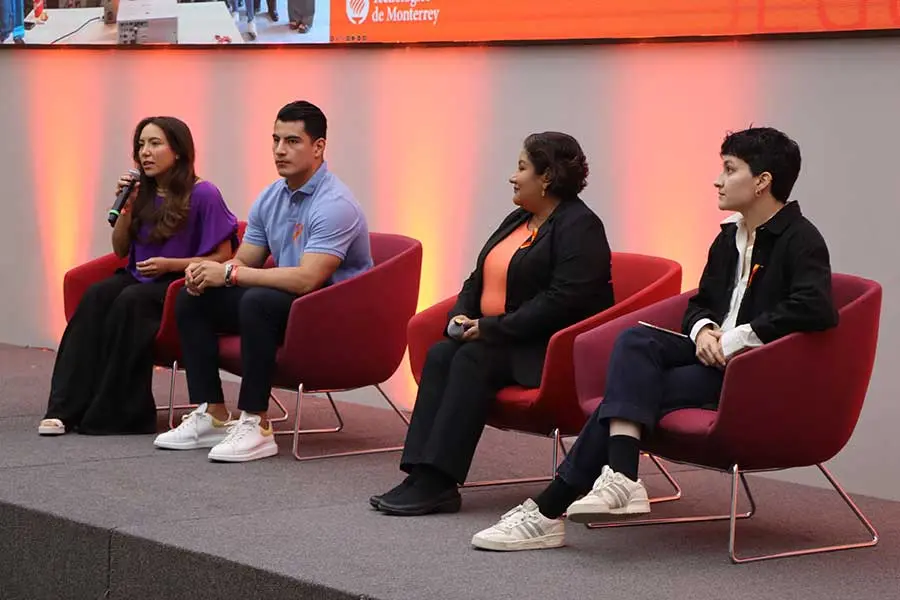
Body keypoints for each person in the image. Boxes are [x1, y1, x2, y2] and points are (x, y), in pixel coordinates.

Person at [471, 126, 840, 552]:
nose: (718, 180)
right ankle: (622, 478)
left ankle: (549, 509)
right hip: (713, 358)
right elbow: (700, 302)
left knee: (626, 393)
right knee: (635, 341)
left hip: (752, 372)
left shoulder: (801, 239)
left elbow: (815, 307)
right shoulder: (728, 238)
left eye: (730, 170)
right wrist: (702, 330)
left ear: (763, 182)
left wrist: (736, 339)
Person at [370, 132, 615, 517]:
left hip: (545, 349)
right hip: (499, 338)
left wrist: (491, 327)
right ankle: (419, 472)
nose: (512, 177)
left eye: (521, 168)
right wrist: (461, 315)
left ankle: (440, 481)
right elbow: (477, 278)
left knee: (472, 358)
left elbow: (561, 302)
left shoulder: (580, 227)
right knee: (441, 354)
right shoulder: (518, 218)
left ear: (547, 176)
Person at [154, 100, 373, 462]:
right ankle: (212, 413)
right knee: (193, 298)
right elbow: (246, 260)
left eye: (292, 141)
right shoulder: (271, 197)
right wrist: (209, 276)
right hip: (287, 304)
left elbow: (307, 280)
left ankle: (257, 423)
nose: (279, 150)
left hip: (333, 312)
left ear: (318, 147)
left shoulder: (335, 203)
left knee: (259, 302)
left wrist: (230, 273)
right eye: (275, 140)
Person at [39, 116, 239, 436]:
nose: (145, 152)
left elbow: (223, 257)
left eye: (155, 143)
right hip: (141, 276)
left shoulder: (204, 193)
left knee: (130, 301)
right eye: (141, 145)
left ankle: (115, 413)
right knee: (95, 296)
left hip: (177, 283)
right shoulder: (140, 191)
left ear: (178, 150)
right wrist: (127, 207)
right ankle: (63, 408)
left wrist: (170, 265)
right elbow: (120, 249)